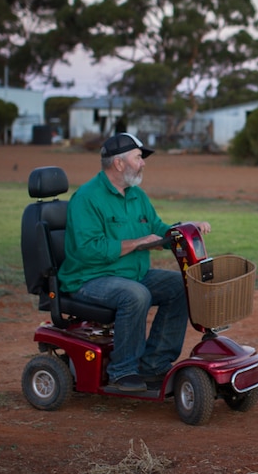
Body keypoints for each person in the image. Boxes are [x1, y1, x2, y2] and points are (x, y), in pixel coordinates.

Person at [57, 132, 211, 392]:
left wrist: (185, 228)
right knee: (135, 295)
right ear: (119, 163)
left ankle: (154, 364)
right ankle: (122, 371)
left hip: (130, 274)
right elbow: (88, 250)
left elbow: (159, 230)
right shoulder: (86, 198)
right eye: (139, 157)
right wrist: (137, 242)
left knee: (182, 284)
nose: (143, 163)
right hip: (90, 278)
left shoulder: (136, 195)